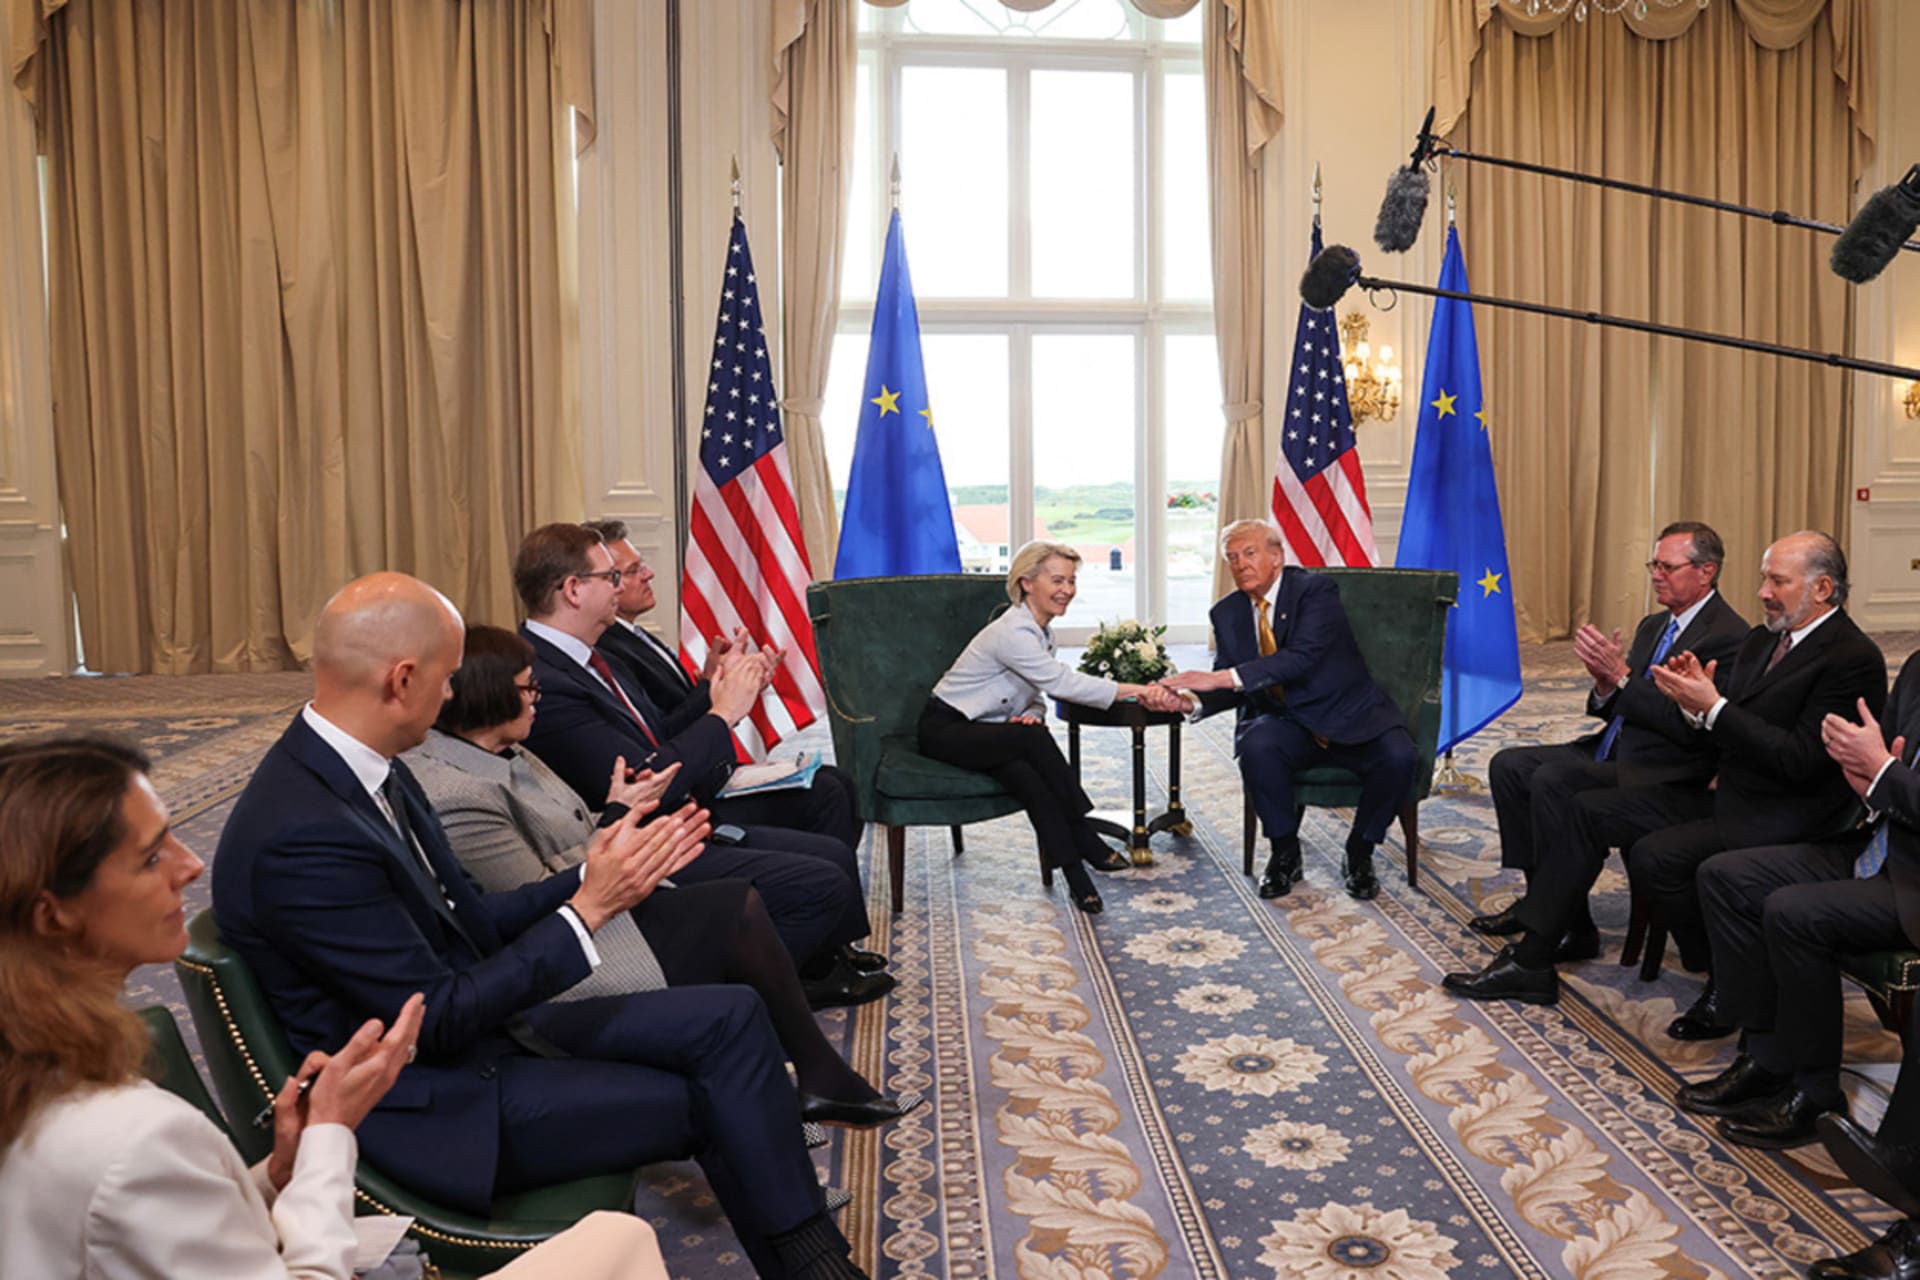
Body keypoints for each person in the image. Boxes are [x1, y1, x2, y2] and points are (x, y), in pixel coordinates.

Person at [211, 572, 869, 1280]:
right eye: (449, 677)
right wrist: (585, 913)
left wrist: (596, 878)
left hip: (476, 1041)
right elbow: (434, 1020)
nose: (454, 696)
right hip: (431, 1105)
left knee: (732, 1016)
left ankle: (817, 1266)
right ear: (403, 680)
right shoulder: (303, 836)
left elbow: (470, 917)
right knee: (716, 1094)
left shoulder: (369, 769)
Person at [0, 735, 671, 1280]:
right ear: (52, 914)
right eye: (150, 857)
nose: (190, 866)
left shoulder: (34, 1078)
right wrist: (328, 1138)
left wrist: (273, 1175)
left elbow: (133, 1235)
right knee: (618, 1243)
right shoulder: (134, 1133)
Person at [404, 624, 918, 1129]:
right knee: (745, 917)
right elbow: (532, 899)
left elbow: (581, 823)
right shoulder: (459, 794)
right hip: (574, 945)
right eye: (526, 687)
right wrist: (631, 837)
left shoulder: (511, 749)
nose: (536, 696)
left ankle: (808, 1079)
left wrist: (619, 812)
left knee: (747, 904)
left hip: (617, 888)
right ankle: (794, 1081)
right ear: (487, 696)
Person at [1444, 531, 1886, 1012]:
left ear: (1822, 589)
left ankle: (1722, 976)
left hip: (1781, 813)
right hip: (1728, 788)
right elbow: (1723, 725)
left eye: (1777, 581)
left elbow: (1799, 759)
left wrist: (1710, 708)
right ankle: (1538, 957)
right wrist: (1696, 703)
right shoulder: (1764, 640)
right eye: (1764, 579)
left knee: (1653, 853)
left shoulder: (1851, 657)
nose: (1762, 591)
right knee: (1584, 810)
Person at [515, 523, 888, 1007]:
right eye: (610, 576)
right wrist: (723, 712)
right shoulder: (546, 676)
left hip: (676, 820)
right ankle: (750, 992)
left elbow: (659, 734)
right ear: (572, 590)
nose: (620, 586)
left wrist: (720, 691)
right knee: (824, 878)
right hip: (645, 845)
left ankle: (805, 966)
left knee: (829, 848)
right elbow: (643, 781)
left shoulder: (593, 656)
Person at [1666, 648, 1920, 1152]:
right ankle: (1765, 1059)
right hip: (1877, 846)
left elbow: (1890, 769)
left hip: (1912, 880)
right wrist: (1866, 778)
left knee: (1793, 912)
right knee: (1727, 876)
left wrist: (1884, 774)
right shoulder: (1916, 667)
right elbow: (1882, 760)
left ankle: (1814, 1093)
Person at [1472, 522, 1747, 946]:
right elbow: (1622, 700)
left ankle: (1563, 922)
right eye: (1653, 565)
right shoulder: (1655, 625)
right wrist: (1605, 685)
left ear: (1706, 571)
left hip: (1662, 766)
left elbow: (1687, 726)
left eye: (1668, 567)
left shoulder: (1728, 637)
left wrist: (1621, 679)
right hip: (1615, 745)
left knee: (1551, 781)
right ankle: (1547, 904)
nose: (1656, 574)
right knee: (1509, 765)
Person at [917, 539, 1184, 915]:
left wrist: (1036, 714)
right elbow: (1063, 685)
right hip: (946, 729)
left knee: (1027, 777)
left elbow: (1035, 695)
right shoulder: (1013, 632)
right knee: (1031, 741)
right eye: (1058, 581)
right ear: (1027, 583)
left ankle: (1078, 879)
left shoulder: (1044, 635)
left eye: (1071, 581)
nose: (1067, 591)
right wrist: (1138, 690)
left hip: (988, 732)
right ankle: (1085, 834)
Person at [1163, 519, 1416, 901]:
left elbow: (1301, 658)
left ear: (1277, 557)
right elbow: (1234, 685)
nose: (1240, 564)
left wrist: (1219, 679)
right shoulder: (1227, 613)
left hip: (1348, 712)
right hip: (1289, 721)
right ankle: (1284, 853)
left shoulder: (1314, 591)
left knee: (1400, 756)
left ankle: (1360, 850)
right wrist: (1193, 702)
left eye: (1250, 553)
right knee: (1257, 745)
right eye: (1232, 558)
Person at [584, 518, 868, 857]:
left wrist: (717, 680)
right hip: (691, 793)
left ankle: (828, 884)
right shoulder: (608, 648)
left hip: (707, 770)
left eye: (642, 565)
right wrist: (718, 690)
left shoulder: (635, 635)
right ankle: (824, 887)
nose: (649, 574)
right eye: (632, 571)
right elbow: (660, 733)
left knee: (840, 782)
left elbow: (673, 711)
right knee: (829, 793)